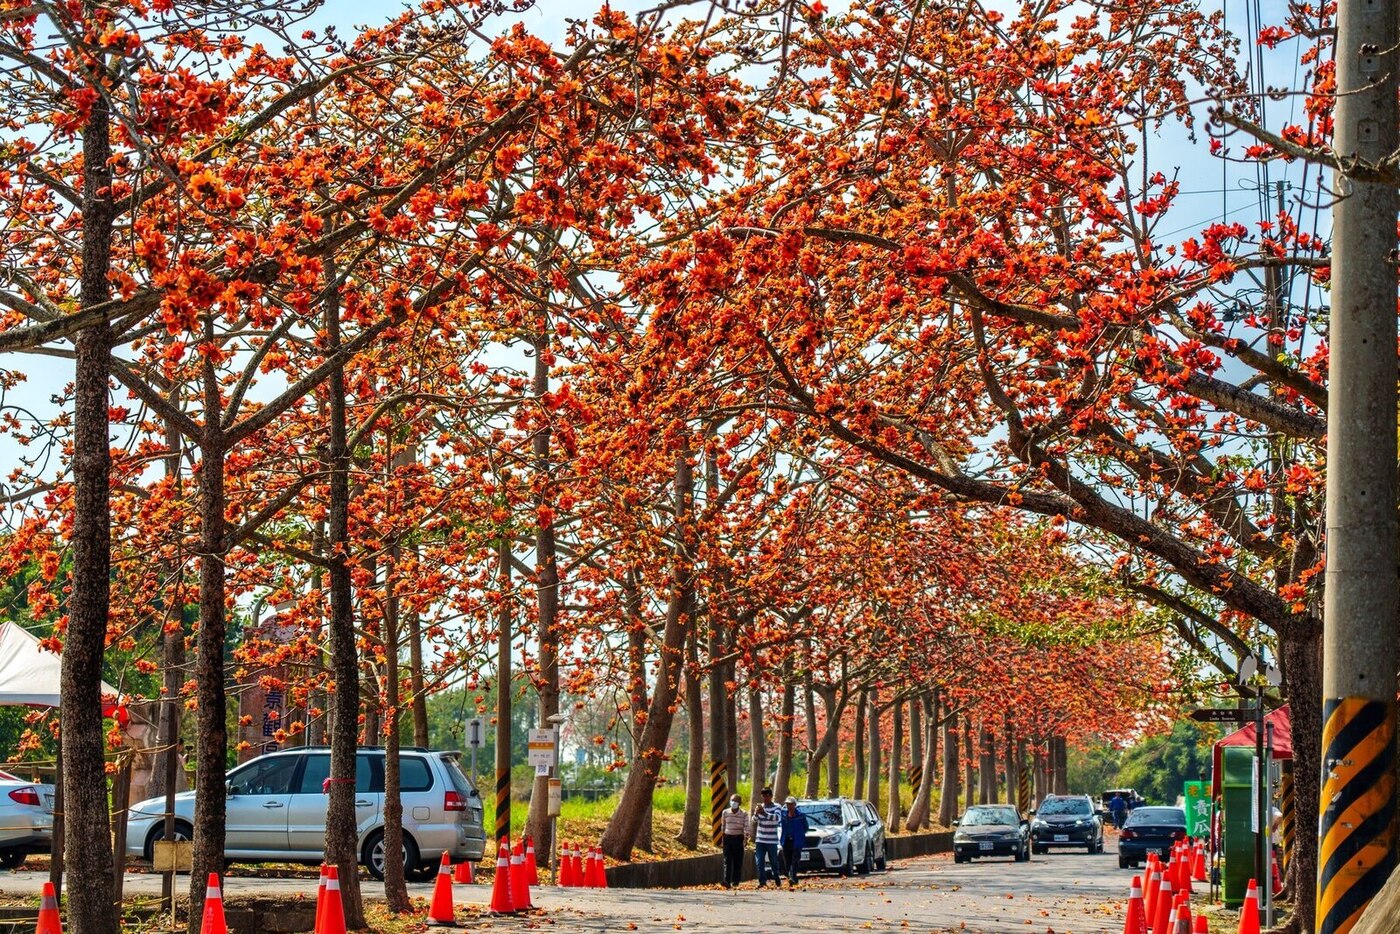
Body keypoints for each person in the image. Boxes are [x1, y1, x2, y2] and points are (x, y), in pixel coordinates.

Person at [750, 787, 783, 887]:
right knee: (759, 861)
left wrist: (764, 813)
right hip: (760, 839)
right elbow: (754, 820)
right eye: (763, 796)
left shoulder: (777, 806)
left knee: (773, 861)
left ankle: (776, 876)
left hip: (772, 840)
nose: (765, 798)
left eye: (767, 796)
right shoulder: (760, 807)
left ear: (771, 796)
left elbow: (777, 818)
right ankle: (762, 881)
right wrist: (756, 813)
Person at [779, 795, 809, 887]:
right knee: (787, 860)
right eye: (787, 804)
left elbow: (806, 827)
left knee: (795, 860)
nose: (789, 806)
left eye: (791, 804)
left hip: (797, 841)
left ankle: (792, 876)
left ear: (795, 805)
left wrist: (799, 834)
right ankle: (791, 877)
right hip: (786, 840)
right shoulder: (783, 815)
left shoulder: (800, 816)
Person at [720, 794, 749, 889]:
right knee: (727, 860)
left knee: (737, 861)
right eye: (732, 800)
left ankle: (735, 881)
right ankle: (726, 881)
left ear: (740, 803)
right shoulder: (725, 812)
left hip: (738, 839)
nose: (733, 803)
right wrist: (722, 840)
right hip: (728, 839)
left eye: (735, 801)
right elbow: (723, 827)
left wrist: (745, 838)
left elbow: (746, 827)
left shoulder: (744, 814)